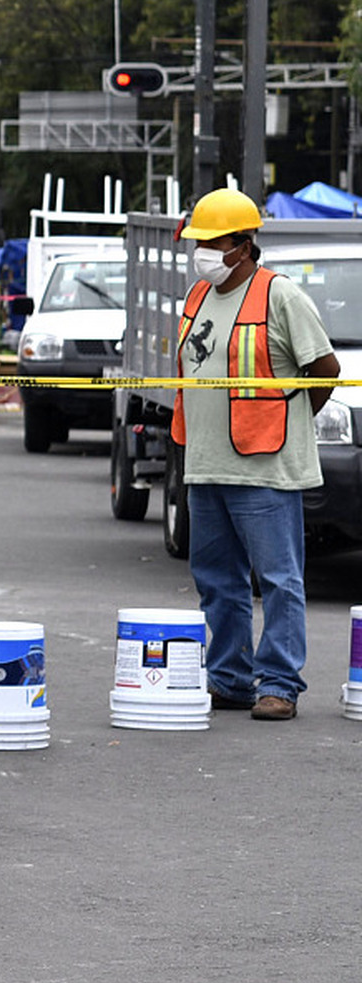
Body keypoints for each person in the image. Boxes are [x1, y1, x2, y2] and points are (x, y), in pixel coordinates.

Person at [171, 188, 339, 722]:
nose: (201, 252)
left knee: (278, 580)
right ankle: (230, 678)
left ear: (242, 245)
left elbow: (325, 370)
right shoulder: (198, 296)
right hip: (205, 462)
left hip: (265, 464)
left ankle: (280, 683)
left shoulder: (279, 295)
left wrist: (287, 422)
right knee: (217, 579)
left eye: (211, 242)